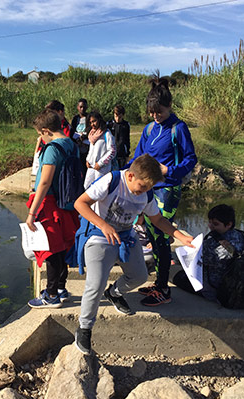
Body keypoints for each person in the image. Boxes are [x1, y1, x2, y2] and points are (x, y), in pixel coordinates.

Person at [73, 154, 194, 354]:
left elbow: (157, 219)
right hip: (99, 235)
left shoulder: (146, 194)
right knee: (94, 285)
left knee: (139, 276)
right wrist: (103, 225)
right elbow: (80, 203)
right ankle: (84, 328)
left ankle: (113, 293)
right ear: (130, 176)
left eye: (149, 187)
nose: (144, 191)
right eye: (142, 186)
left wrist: (181, 236)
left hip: (126, 236)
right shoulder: (111, 181)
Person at [129, 77, 197, 306]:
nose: (155, 116)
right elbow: (138, 157)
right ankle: (159, 283)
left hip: (167, 189)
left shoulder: (179, 128)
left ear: (169, 106)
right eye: (152, 112)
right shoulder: (149, 129)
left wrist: (170, 170)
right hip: (149, 188)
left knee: (161, 237)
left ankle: (163, 290)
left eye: (159, 111)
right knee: (152, 237)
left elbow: (190, 159)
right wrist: (122, 175)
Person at [26, 109, 80, 308]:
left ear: (46, 130)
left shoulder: (52, 148)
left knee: (51, 250)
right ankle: (60, 288)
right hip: (67, 202)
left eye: (40, 134)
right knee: (63, 246)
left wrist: (32, 212)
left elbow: (44, 182)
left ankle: (50, 295)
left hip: (50, 204)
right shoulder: (71, 145)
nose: (40, 138)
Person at [173, 204, 244, 302]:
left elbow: (195, 262)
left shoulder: (213, 243)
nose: (210, 226)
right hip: (236, 281)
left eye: (215, 224)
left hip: (216, 290)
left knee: (175, 273)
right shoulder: (241, 236)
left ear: (229, 224)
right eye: (209, 222)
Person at [84, 111, 116, 189]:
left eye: (94, 121)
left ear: (99, 120)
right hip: (91, 167)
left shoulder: (106, 133)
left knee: (100, 189)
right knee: (87, 186)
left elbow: (112, 151)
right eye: (90, 122)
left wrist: (100, 163)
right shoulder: (92, 134)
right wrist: (88, 160)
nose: (92, 124)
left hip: (102, 168)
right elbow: (91, 150)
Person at [69, 98, 90, 174]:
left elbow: (89, 129)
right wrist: (77, 139)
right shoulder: (75, 119)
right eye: (80, 107)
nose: (82, 109)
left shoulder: (89, 117)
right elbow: (72, 131)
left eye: (84, 107)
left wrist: (83, 137)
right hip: (77, 144)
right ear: (78, 107)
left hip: (86, 144)